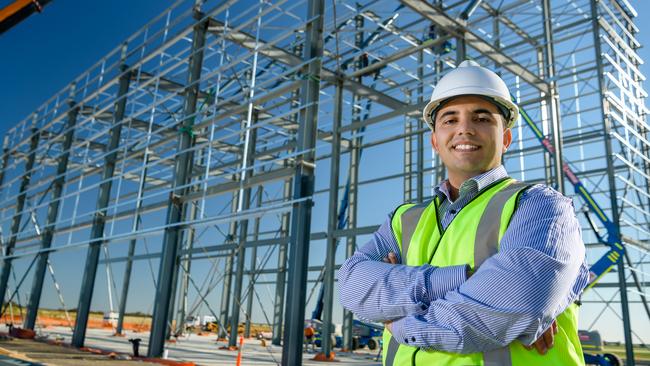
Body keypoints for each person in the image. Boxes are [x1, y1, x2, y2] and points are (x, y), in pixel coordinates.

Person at [338, 60, 589, 366]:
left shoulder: (539, 206)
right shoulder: (404, 220)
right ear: (435, 141)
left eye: (482, 118)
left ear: (506, 138)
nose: (465, 129)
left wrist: (398, 319)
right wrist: (468, 279)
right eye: (450, 120)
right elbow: (352, 286)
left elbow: (513, 304)